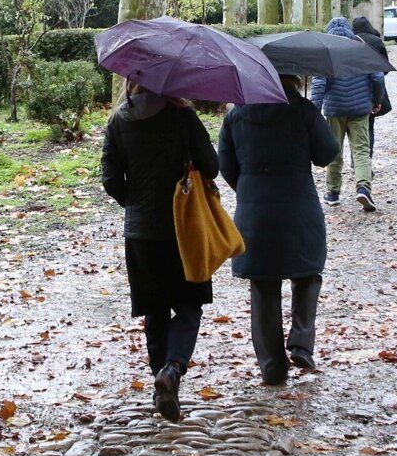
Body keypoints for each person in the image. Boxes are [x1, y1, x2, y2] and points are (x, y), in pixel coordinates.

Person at [100, 83, 220, 422]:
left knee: (154, 312)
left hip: (140, 233)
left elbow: (110, 178)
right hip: (185, 228)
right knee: (189, 304)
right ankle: (173, 369)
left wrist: (134, 201)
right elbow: (211, 166)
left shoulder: (118, 121)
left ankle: (161, 386)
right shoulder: (182, 115)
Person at [218, 76, 340, 380]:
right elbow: (327, 154)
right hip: (299, 207)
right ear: (293, 77)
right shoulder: (303, 109)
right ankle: (301, 342)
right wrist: (310, 116)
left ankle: (272, 366)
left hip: (254, 212)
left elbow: (226, 166)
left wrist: (249, 190)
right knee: (308, 273)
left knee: (263, 284)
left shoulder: (236, 114)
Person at [310, 16, 385, 211]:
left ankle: (333, 193)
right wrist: (376, 100)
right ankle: (363, 188)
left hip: (335, 110)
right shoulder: (361, 49)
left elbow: (319, 84)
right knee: (361, 150)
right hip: (360, 109)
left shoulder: (326, 53)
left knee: (335, 150)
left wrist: (314, 111)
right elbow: (378, 78)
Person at [351, 15, 392, 158]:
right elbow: (385, 68)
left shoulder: (349, 41)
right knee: (369, 126)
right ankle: (366, 159)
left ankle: (355, 158)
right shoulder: (376, 41)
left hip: (353, 87)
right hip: (372, 89)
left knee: (353, 127)